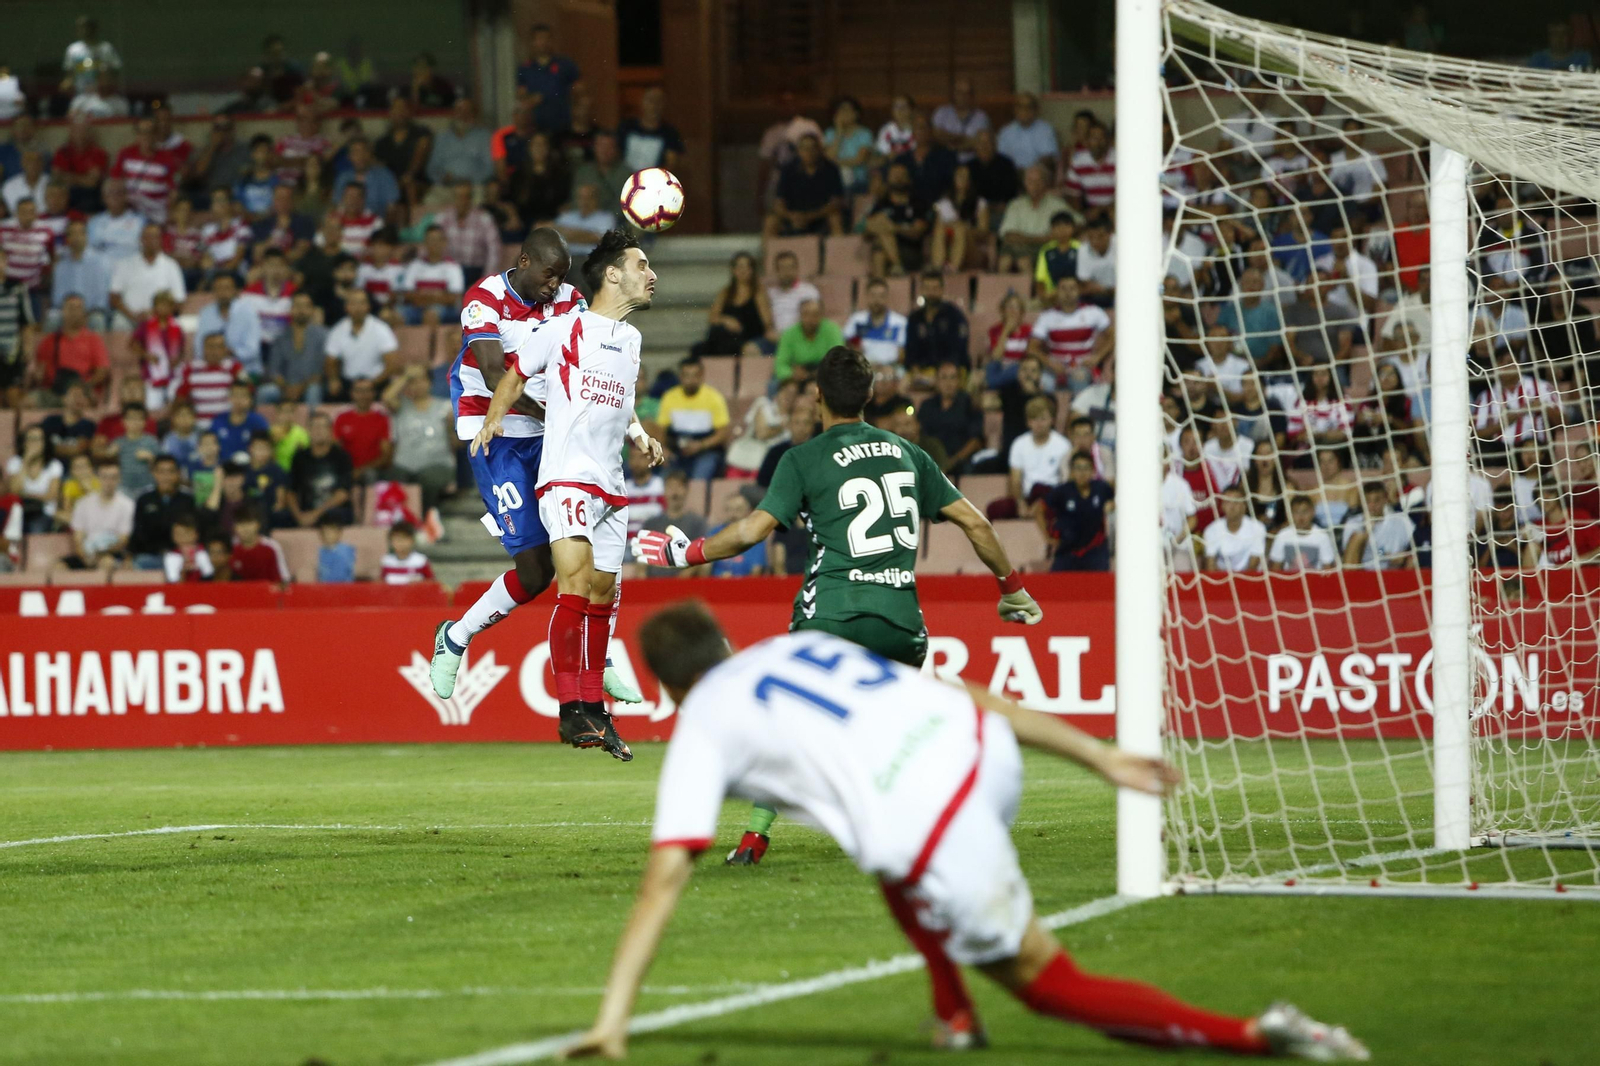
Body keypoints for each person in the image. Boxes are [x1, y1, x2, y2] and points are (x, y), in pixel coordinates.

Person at [564, 604, 1367, 1060]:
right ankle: (954, 1015)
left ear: (671, 685)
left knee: (1045, 982)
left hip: (931, 810)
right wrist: (1097, 755)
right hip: (984, 750)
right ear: (727, 643)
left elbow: (665, 878)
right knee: (885, 858)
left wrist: (612, 1019)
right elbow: (961, 693)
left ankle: (1258, 1033)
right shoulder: (796, 646)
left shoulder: (703, 717)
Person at [636, 346, 1042, 864]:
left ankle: (754, 839)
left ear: (818, 396)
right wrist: (1012, 588)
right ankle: (935, 823)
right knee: (895, 733)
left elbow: (752, 530)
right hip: (902, 625)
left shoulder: (802, 458)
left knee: (787, 722)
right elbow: (977, 525)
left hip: (830, 617)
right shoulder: (909, 453)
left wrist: (687, 552)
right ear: (870, 395)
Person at [468, 228, 667, 760]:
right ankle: (569, 709)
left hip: (611, 483)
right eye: (642, 265)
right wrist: (492, 419)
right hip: (567, 475)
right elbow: (513, 375)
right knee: (574, 586)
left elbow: (620, 400)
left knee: (604, 594)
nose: (651, 276)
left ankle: (595, 709)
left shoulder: (631, 340)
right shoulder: (562, 328)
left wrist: (640, 434)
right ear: (612, 275)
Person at [430, 228, 643, 705]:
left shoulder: (570, 300)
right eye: (549, 275)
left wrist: (630, 427)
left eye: (562, 276)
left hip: (551, 434)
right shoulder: (484, 299)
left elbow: (598, 366)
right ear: (524, 261)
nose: (555, 285)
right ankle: (456, 637)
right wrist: (556, 413)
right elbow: (495, 376)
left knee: (588, 552)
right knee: (534, 572)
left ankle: (600, 656)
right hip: (495, 430)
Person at [383, 366, 455, 515]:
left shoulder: (446, 406)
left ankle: (425, 519)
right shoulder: (401, 406)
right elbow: (387, 398)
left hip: (437, 464)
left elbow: (456, 442)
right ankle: (400, 521)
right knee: (394, 479)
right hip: (404, 464)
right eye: (413, 382)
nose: (417, 385)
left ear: (430, 383)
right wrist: (406, 376)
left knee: (428, 480)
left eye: (422, 380)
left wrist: (450, 427)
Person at [693, 251, 775, 357]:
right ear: (733, 270)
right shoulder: (725, 293)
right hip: (727, 337)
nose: (743, 271)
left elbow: (767, 322)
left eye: (747, 267)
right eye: (740, 267)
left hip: (748, 338)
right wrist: (726, 320)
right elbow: (712, 317)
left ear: (752, 270)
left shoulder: (758, 293)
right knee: (700, 347)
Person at [765, 133, 845, 237]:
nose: (809, 152)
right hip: (793, 218)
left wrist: (810, 216)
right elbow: (779, 203)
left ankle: (839, 248)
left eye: (813, 148)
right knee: (770, 222)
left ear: (819, 149)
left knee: (835, 219)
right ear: (798, 151)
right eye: (805, 148)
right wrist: (791, 216)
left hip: (820, 218)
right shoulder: (788, 170)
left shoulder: (831, 169)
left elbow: (836, 203)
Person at [1045, 450, 1114, 570]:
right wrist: (1047, 537)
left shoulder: (1101, 488)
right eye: (1078, 468)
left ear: (1093, 471)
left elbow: (1118, 497)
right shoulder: (1062, 491)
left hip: (1096, 550)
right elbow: (1039, 509)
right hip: (1067, 550)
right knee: (1055, 581)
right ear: (1072, 471)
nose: (1082, 473)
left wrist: (1113, 504)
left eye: (1086, 468)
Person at [61, 458, 132, 572]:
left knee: (106, 563)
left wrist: (100, 554)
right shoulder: (82, 504)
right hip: (86, 553)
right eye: (105, 477)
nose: (109, 482)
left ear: (119, 479)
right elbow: (78, 538)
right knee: (59, 567)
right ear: (98, 478)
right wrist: (84, 556)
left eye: (113, 477)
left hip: (112, 553)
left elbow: (123, 540)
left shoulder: (127, 505)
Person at [323, 289, 398, 397]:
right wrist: (333, 379)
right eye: (353, 303)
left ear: (368, 306)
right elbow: (330, 361)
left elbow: (392, 363)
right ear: (346, 307)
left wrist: (372, 383)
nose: (358, 308)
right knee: (331, 391)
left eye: (362, 303)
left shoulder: (382, 329)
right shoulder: (337, 331)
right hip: (349, 383)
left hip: (376, 382)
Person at [128, 455, 198, 569]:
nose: (166, 477)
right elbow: (137, 532)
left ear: (178, 474)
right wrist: (129, 556)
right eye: (161, 472)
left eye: (171, 472)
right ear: (154, 473)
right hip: (150, 556)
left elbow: (193, 531)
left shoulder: (188, 500)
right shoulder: (144, 499)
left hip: (180, 555)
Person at [289, 413, 355, 528]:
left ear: (330, 431)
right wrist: (299, 516)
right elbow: (291, 492)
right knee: (280, 517)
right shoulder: (299, 458)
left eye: (322, 427)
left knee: (335, 516)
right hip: (306, 511)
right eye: (314, 427)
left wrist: (315, 514)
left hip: (333, 510)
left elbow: (343, 494)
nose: (318, 431)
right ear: (308, 430)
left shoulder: (342, 457)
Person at [516, 23, 582, 131]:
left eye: (546, 38)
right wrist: (532, 100)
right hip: (535, 127)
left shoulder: (565, 65)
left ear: (552, 41)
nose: (543, 42)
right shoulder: (525, 68)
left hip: (563, 125)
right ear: (532, 42)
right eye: (539, 39)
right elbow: (521, 96)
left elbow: (579, 91)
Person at [905, 271, 969, 376]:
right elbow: (911, 352)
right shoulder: (914, 318)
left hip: (951, 372)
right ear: (922, 290)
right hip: (922, 372)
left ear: (942, 290)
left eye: (935, 288)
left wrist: (941, 375)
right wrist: (917, 373)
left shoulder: (954, 316)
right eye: (927, 288)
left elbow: (958, 351)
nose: (931, 293)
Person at [1342, 481, 1416, 570]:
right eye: (1367, 501)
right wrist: (1366, 533)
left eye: (1376, 500)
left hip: (1394, 572)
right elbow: (1349, 559)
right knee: (1358, 537)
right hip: (1362, 573)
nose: (1372, 505)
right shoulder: (1352, 523)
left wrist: (1403, 557)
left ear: (1385, 499)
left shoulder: (1401, 521)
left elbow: (1416, 547)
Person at [773, 297, 842, 384]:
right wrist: (792, 373)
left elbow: (839, 360)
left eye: (815, 314)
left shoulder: (833, 330)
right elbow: (780, 365)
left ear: (822, 315)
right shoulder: (788, 334)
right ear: (800, 315)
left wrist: (820, 373)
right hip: (797, 375)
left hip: (825, 374)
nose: (810, 319)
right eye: (806, 314)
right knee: (777, 385)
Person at [843, 278, 908, 367]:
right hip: (862, 369)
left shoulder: (900, 322)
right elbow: (848, 347)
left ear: (887, 297)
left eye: (881, 296)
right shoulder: (856, 320)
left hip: (891, 369)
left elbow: (902, 354)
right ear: (866, 296)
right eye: (873, 295)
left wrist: (888, 367)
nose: (877, 300)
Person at [618, 87, 684, 173]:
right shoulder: (627, 126)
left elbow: (671, 163)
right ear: (642, 102)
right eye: (650, 100)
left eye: (659, 101)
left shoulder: (670, 133)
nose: (654, 106)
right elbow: (615, 153)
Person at [1203, 484, 1268, 571]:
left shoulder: (1258, 528)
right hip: (1221, 576)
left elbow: (1253, 566)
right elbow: (1210, 566)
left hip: (1250, 576)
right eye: (1228, 502)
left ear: (1244, 506)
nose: (1232, 507)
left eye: (1236, 502)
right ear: (1222, 506)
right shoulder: (1211, 530)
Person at [1269, 494, 1339, 572]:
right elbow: (1276, 567)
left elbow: (1327, 568)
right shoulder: (1282, 535)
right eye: (1296, 512)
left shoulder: (1322, 537)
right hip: (1289, 578)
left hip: (1315, 578)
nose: (1301, 516)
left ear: (1313, 512)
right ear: (1289, 514)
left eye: (1305, 512)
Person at [996, 91, 1060, 173]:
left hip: (1037, 175)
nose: (1024, 110)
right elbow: (1000, 159)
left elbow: (1048, 159)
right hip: (1011, 174)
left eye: (1029, 107)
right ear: (1015, 110)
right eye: (1020, 106)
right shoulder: (1005, 132)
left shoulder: (1046, 130)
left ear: (1036, 110)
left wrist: (1030, 173)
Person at [229, 507, 290, 582]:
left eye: (249, 523)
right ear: (234, 527)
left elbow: (284, 578)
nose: (245, 528)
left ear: (258, 524)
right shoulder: (230, 547)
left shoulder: (272, 546)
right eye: (240, 524)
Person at [380, 520, 434, 584]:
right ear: (391, 542)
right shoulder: (387, 561)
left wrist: (420, 582)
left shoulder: (421, 561)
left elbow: (432, 582)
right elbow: (382, 584)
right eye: (397, 539)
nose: (400, 543)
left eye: (404, 539)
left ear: (412, 540)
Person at [316, 515, 356, 582]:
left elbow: (343, 573)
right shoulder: (321, 551)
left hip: (342, 585)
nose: (326, 535)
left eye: (330, 532)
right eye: (324, 532)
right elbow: (320, 572)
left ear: (339, 533)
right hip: (324, 586)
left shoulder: (345, 550)